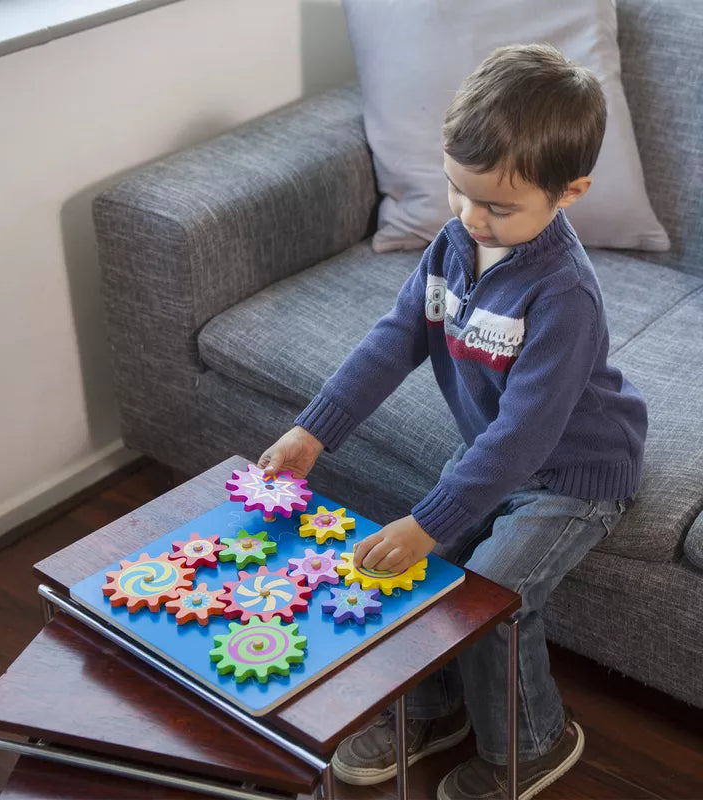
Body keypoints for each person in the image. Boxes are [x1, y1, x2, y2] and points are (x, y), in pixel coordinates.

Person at [257, 43, 648, 800]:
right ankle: (437, 710)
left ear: (570, 191)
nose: (472, 218)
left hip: (572, 475)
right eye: (458, 193)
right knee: (421, 570)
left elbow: (524, 438)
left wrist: (430, 520)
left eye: (499, 206)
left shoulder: (563, 294)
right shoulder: (454, 245)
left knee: (490, 590)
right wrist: (314, 429)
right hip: (498, 461)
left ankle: (533, 744)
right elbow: (395, 337)